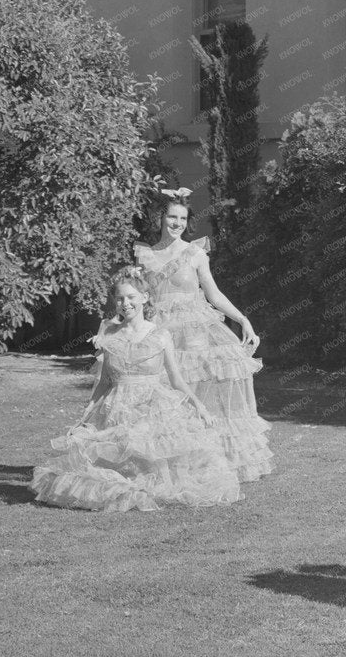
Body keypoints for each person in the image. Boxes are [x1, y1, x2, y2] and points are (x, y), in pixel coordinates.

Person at [33, 267, 242, 511]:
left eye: (131, 297)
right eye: (120, 298)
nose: (125, 303)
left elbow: (176, 380)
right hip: (117, 406)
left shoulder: (161, 335)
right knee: (103, 456)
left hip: (153, 406)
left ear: (145, 297)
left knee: (156, 458)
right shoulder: (108, 333)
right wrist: (84, 417)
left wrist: (200, 407)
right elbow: (104, 383)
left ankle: (152, 482)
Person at [136, 191, 274, 482]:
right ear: (160, 217)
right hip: (158, 332)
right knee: (160, 395)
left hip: (195, 333)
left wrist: (242, 319)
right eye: (172, 216)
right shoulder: (144, 254)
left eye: (183, 219)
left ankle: (205, 461)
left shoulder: (195, 253)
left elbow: (213, 293)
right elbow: (136, 298)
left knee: (199, 394)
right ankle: (164, 462)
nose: (177, 223)